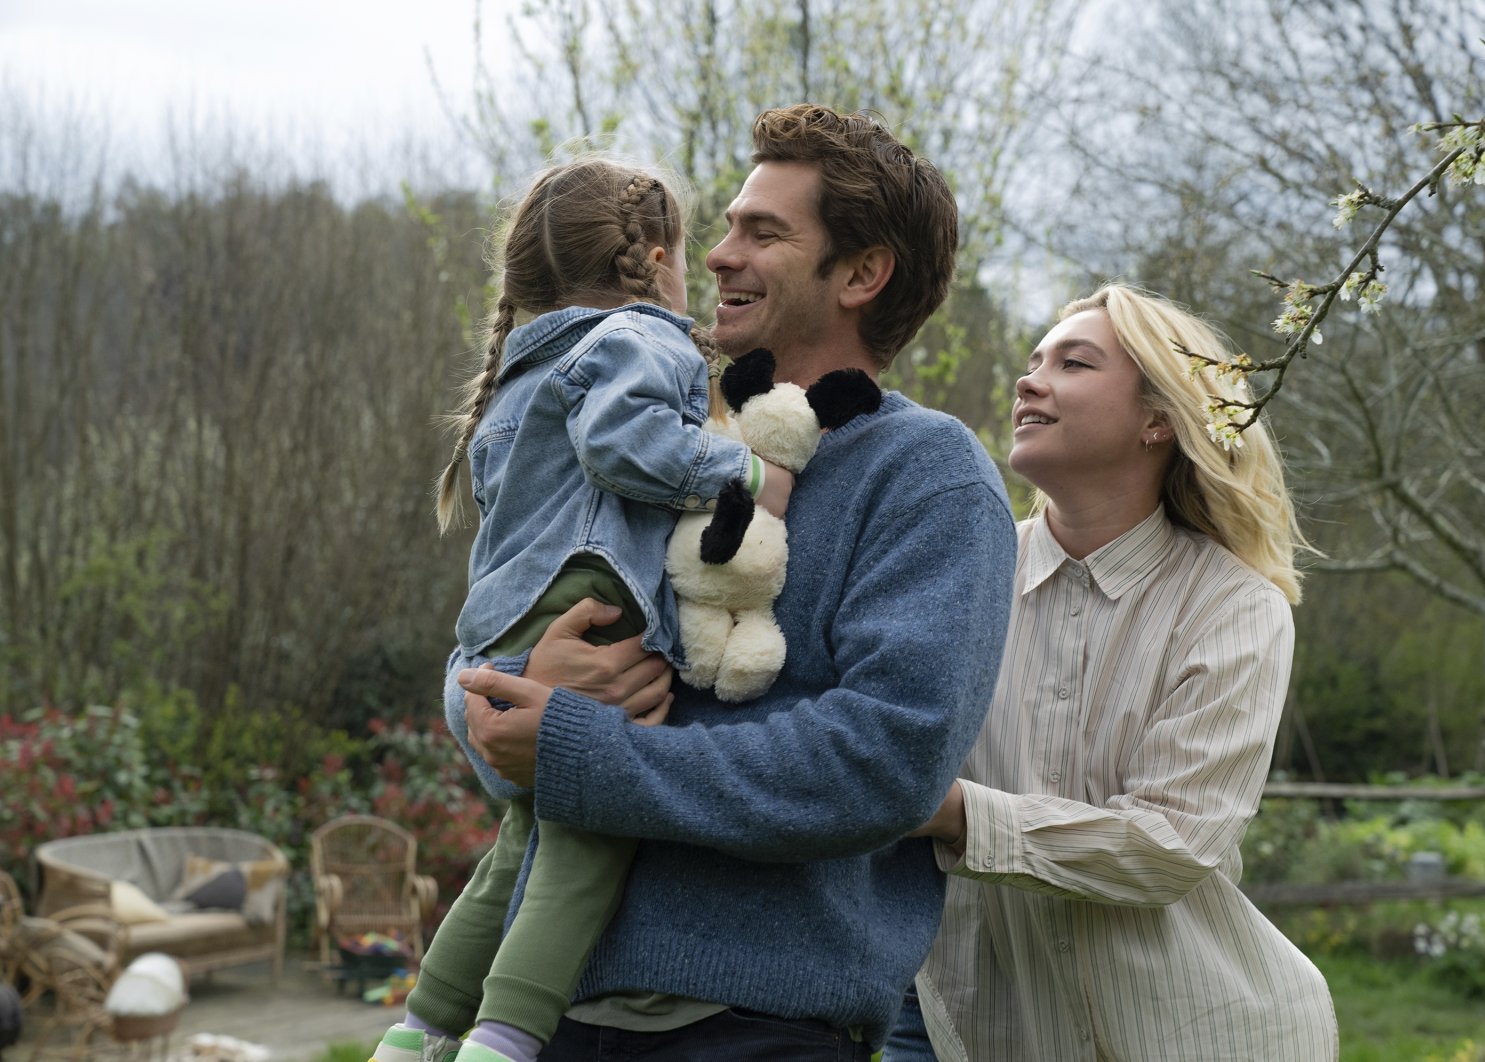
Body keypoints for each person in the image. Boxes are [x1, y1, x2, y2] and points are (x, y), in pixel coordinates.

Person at [452, 104, 1019, 1061]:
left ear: (861, 273)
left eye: (763, 231)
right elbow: (493, 639)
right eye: (723, 226)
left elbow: (885, 759)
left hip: (755, 1031)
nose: (716, 255)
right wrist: (498, 706)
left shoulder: (931, 475)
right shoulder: (653, 442)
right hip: (537, 1016)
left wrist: (579, 748)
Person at [370, 157, 795, 1062]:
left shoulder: (524, 371)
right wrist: (749, 472)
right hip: (586, 597)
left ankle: (418, 1033)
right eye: (689, 249)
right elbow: (629, 444)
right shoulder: (638, 338)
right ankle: (507, 1039)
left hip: (508, 622)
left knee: (520, 843)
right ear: (653, 258)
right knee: (589, 838)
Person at [893, 284, 1339, 1061]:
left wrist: (956, 812)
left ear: (1157, 420)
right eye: (1033, 360)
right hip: (960, 1027)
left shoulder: (1235, 608)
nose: (1030, 380)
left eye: (1074, 362)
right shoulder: (958, 568)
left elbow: (1172, 843)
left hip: (1195, 1034)